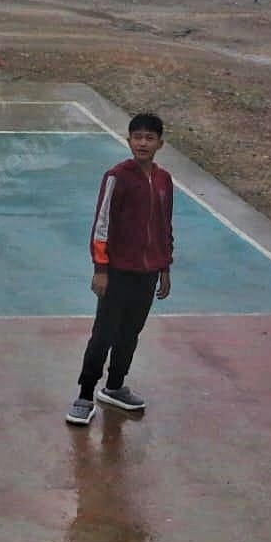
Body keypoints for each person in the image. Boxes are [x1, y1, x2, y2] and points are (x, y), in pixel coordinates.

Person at [66, 113, 174, 424]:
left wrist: (164, 267)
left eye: (149, 138)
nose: (143, 143)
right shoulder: (117, 177)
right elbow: (102, 226)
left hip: (148, 272)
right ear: (128, 141)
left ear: (160, 144)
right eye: (137, 137)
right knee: (103, 334)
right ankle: (85, 395)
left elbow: (165, 225)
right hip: (117, 273)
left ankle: (114, 387)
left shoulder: (164, 180)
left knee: (130, 333)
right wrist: (101, 269)